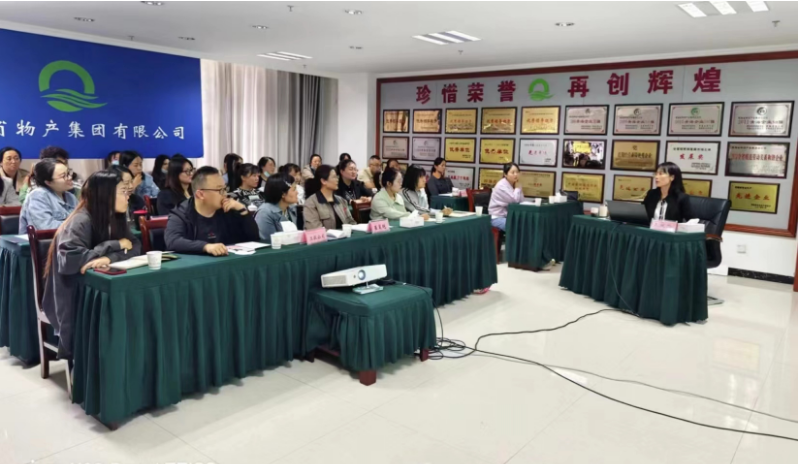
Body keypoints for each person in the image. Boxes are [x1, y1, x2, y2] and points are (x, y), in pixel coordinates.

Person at [42, 168, 141, 359]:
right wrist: (112, 245)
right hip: (73, 293)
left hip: (99, 289)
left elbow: (134, 245)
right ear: (105, 194)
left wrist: (108, 258)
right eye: (123, 191)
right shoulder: (80, 220)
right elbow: (71, 261)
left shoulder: (116, 217)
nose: (128, 196)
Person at [165, 166, 259, 256]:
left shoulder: (228, 209)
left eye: (225, 188)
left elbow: (253, 238)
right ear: (200, 194)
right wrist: (205, 247)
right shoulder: (181, 213)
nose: (225, 194)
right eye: (220, 190)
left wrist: (243, 210)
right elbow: (173, 241)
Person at [19, 159, 78, 233]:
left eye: (68, 173)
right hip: (45, 239)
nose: (70, 177)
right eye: (64, 176)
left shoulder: (71, 197)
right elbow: (47, 227)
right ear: (48, 182)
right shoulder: (37, 196)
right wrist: (78, 225)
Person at [303, 164, 356, 230]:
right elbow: (314, 228)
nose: (337, 179)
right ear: (323, 181)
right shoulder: (311, 203)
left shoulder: (342, 201)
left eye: (337, 177)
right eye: (334, 177)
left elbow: (351, 222)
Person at [256, 174, 299, 242]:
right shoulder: (265, 213)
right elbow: (268, 242)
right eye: (294, 190)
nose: (297, 192)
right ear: (283, 194)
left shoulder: (291, 208)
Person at [488, 163, 524, 231]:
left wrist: (518, 188)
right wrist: (517, 189)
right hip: (497, 217)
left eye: (517, 172)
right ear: (505, 174)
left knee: (525, 224)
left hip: (508, 217)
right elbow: (514, 202)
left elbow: (521, 201)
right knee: (516, 227)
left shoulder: (515, 184)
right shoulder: (501, 186)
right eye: (513, 172)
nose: (516, 174)